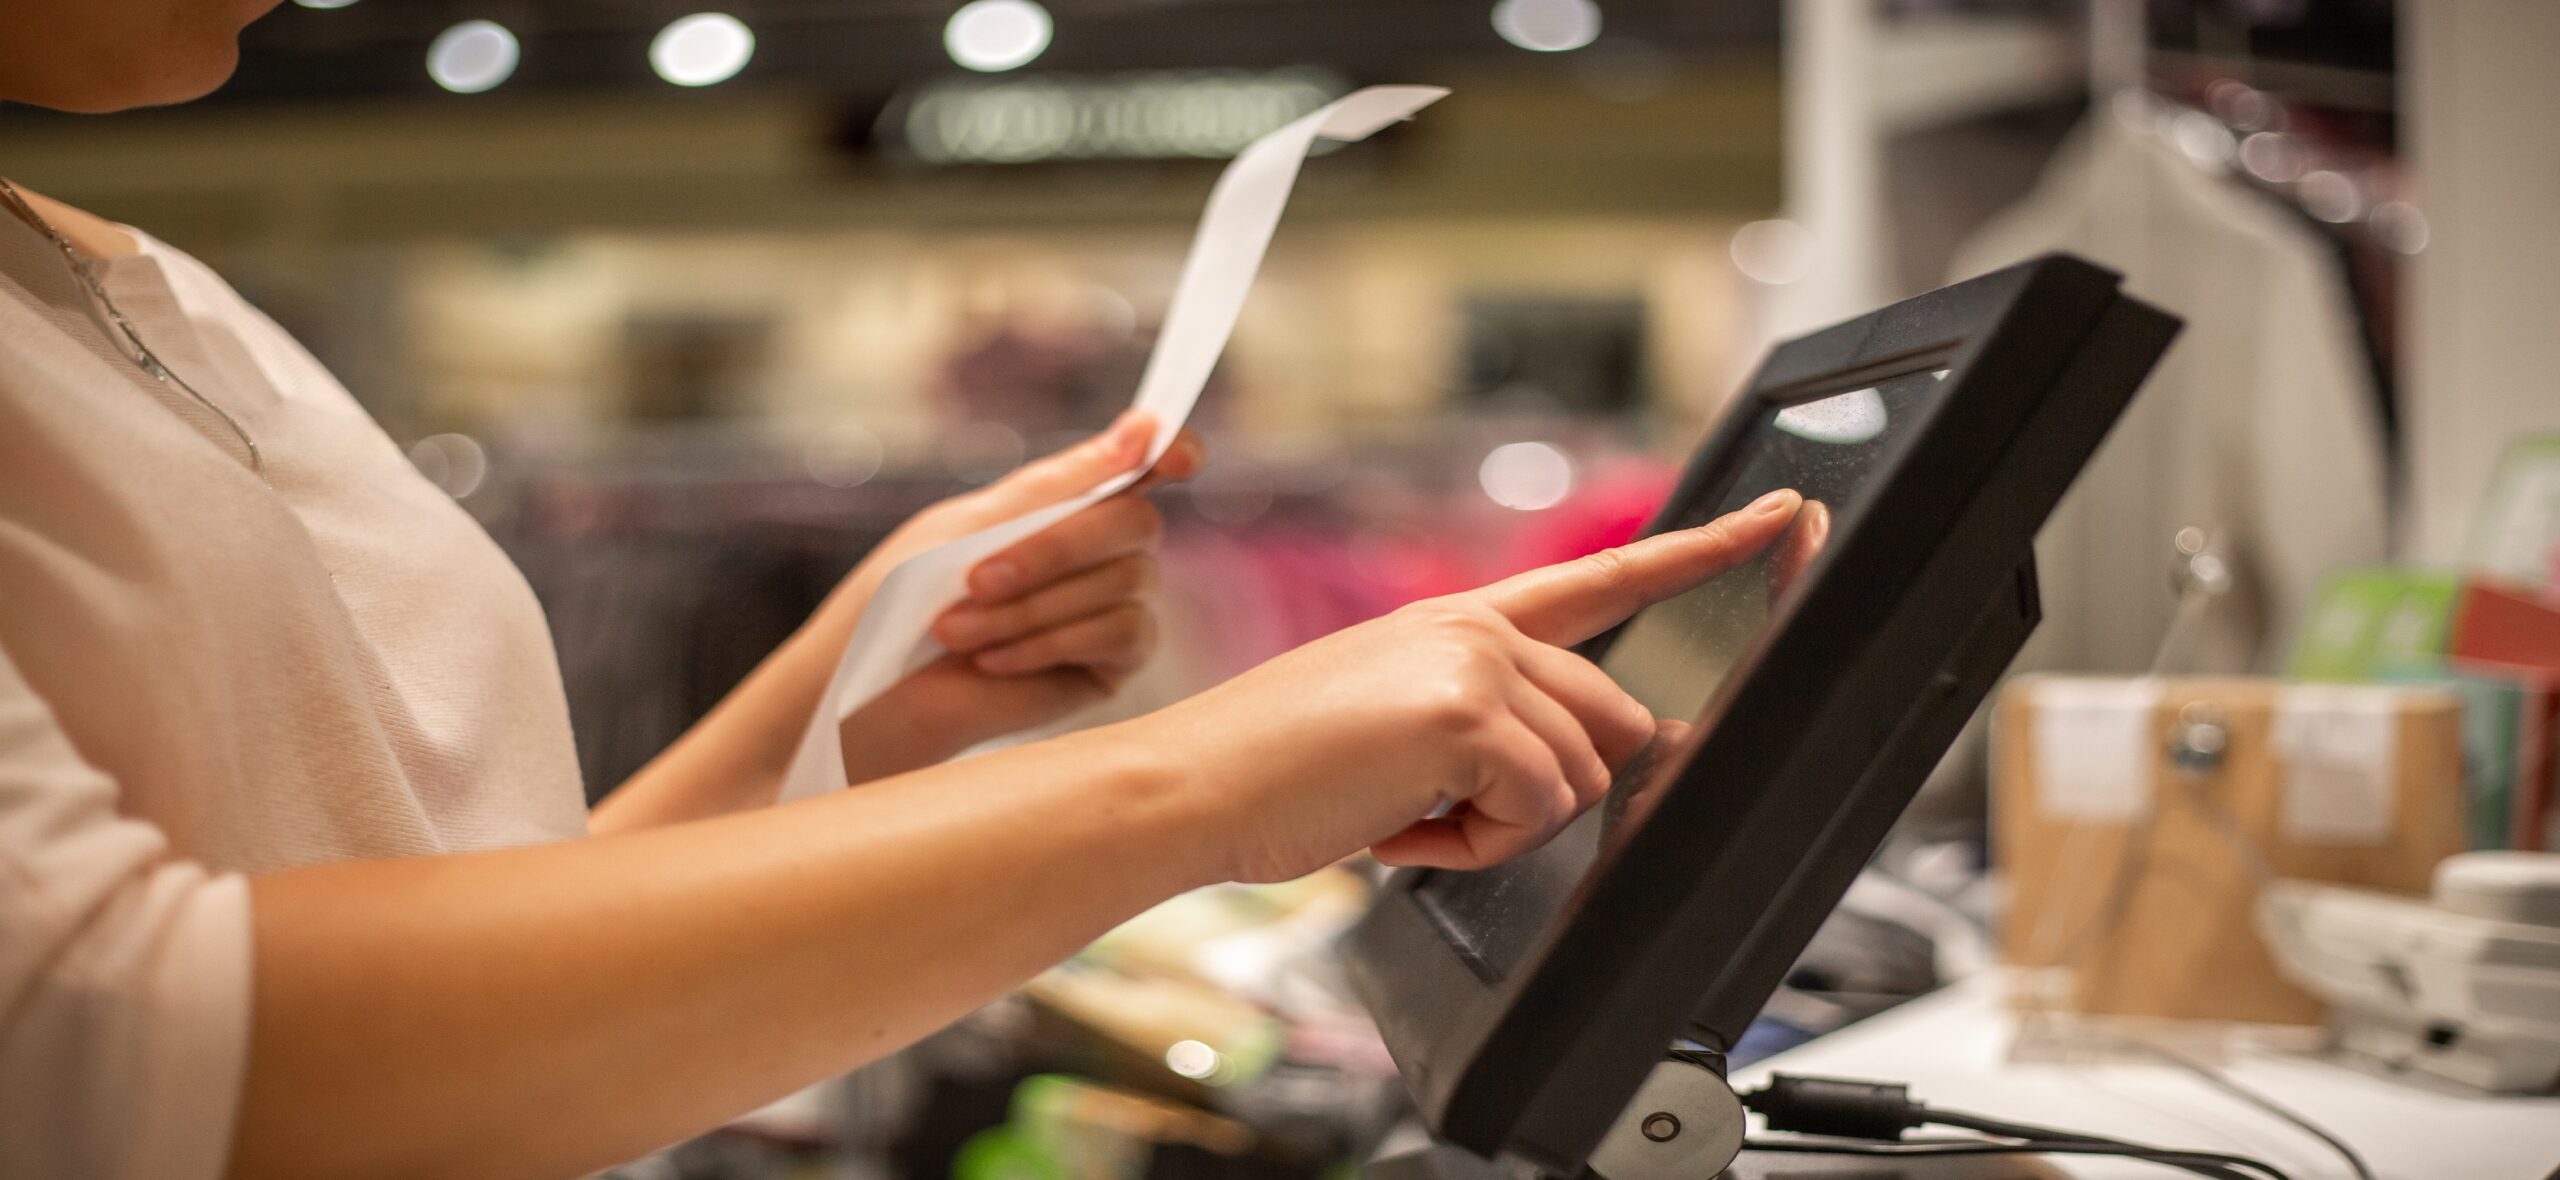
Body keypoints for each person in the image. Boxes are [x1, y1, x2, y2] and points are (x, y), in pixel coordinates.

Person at [0, 4, 1812, 1179]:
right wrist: (1194, 782)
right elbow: (109, 1048)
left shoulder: (150, 285)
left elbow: (438, 925)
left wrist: (842, 691)